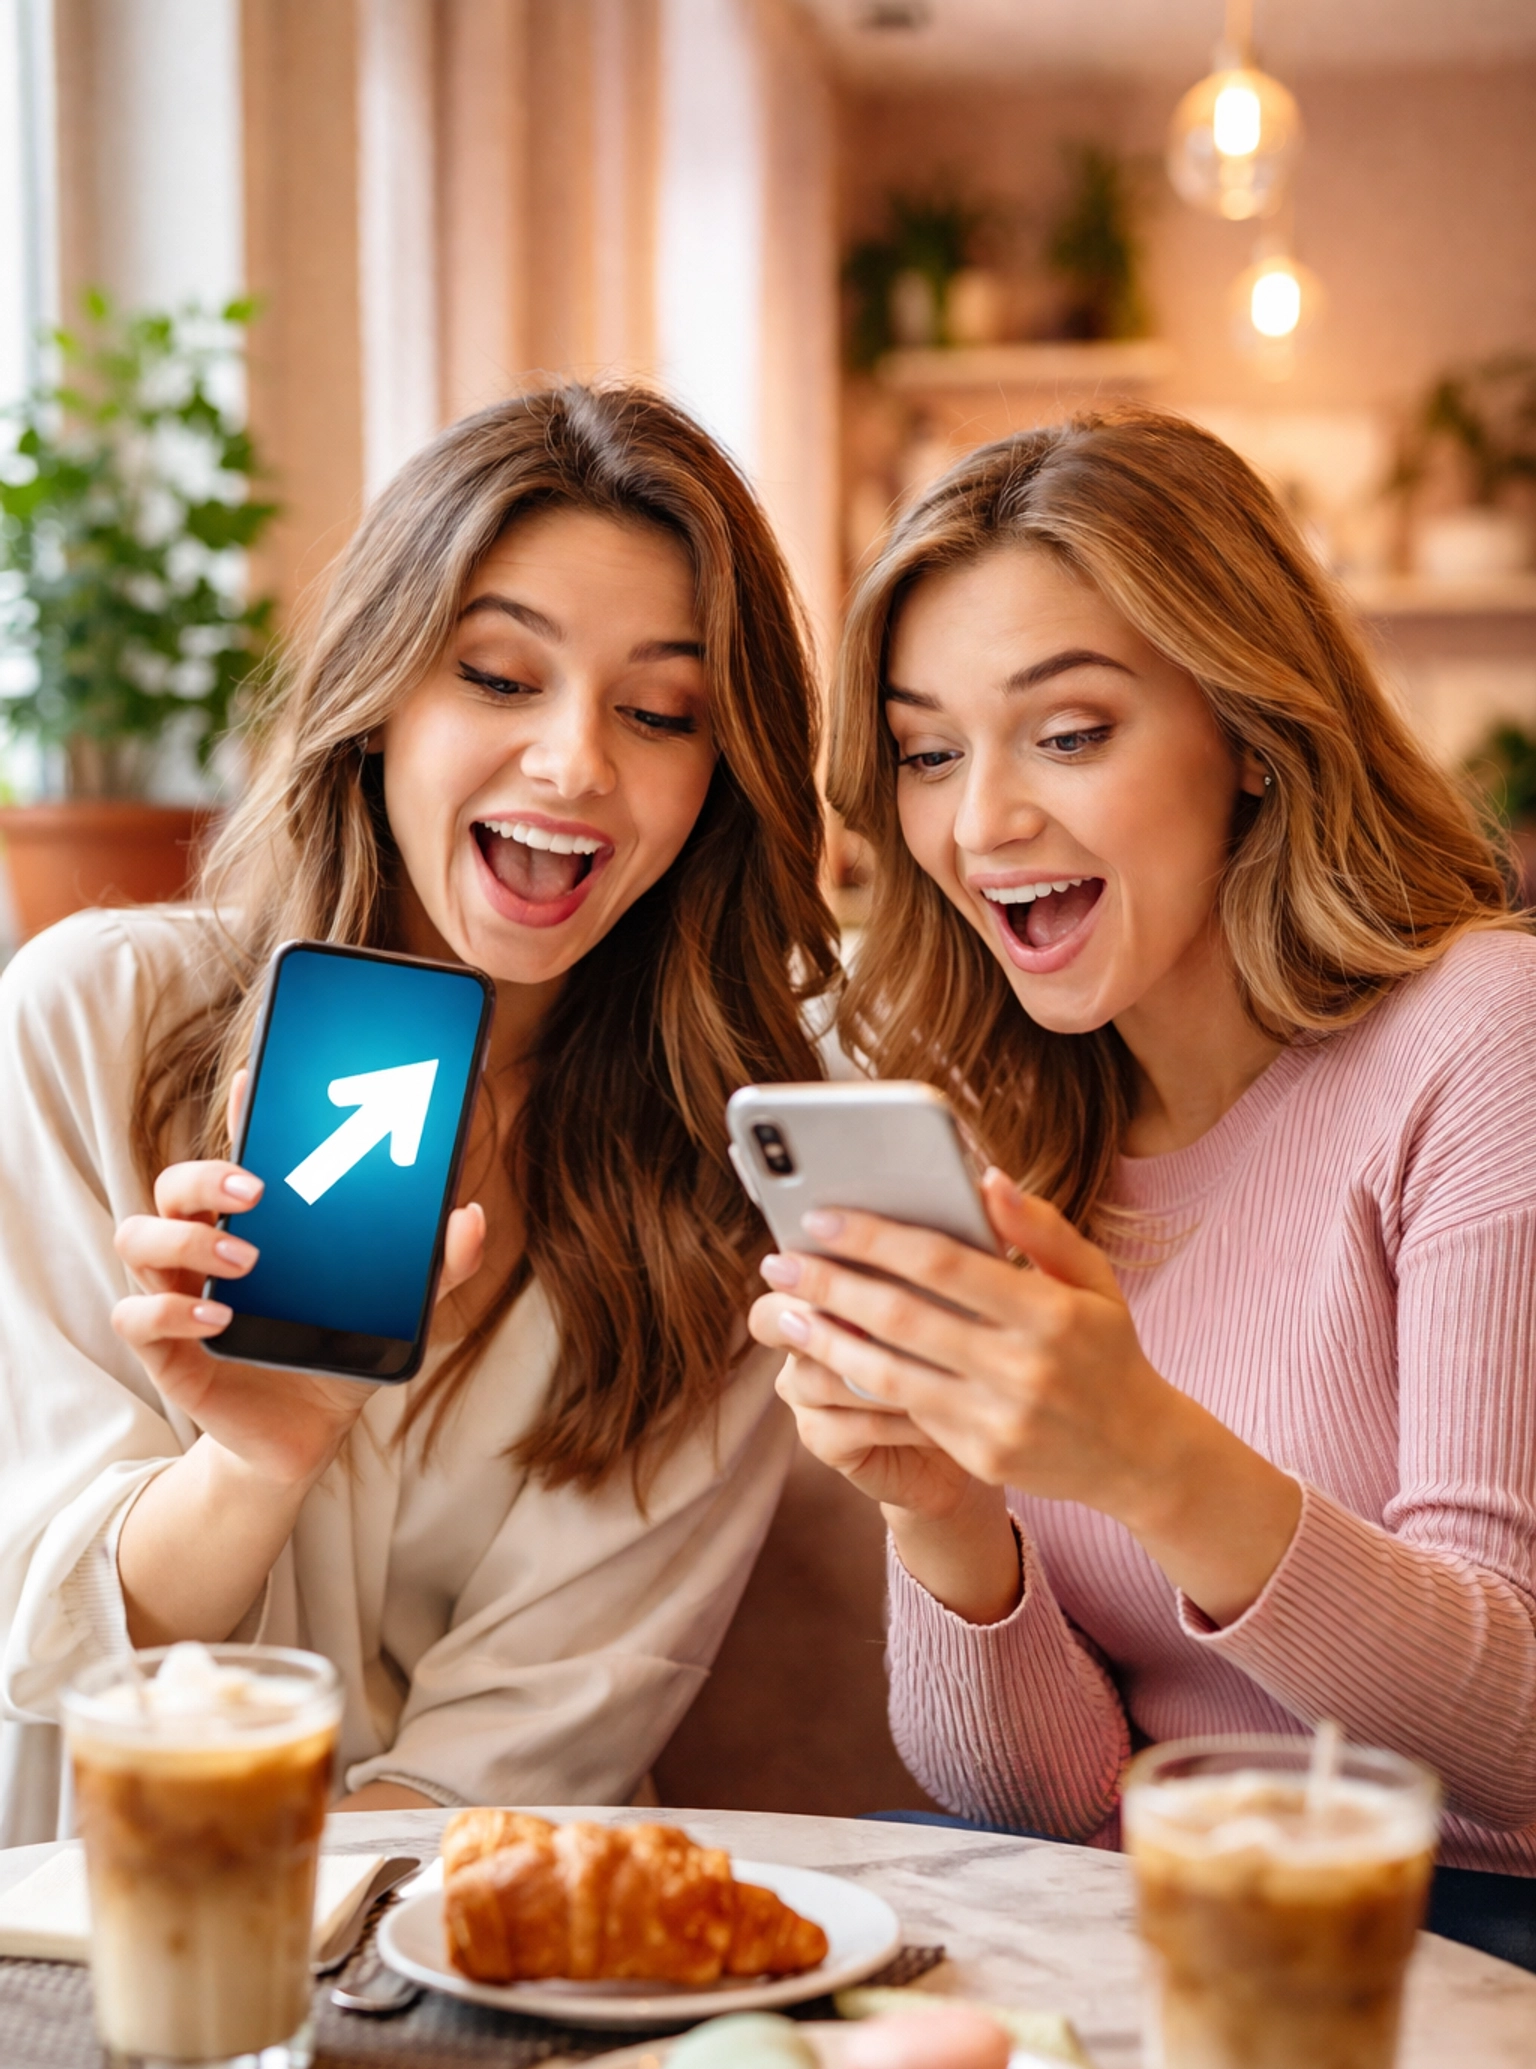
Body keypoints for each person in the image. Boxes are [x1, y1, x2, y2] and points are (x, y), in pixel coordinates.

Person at [752, 409, 1536, 1965]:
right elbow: (1037, 1805)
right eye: (927, 753)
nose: (982, 825)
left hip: (1457, 1926)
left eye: (1070, 731)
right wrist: (948, 1517)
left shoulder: (1481, 1044)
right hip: (1144, 1909)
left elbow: (1511, 1747)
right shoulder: (1016, 1127)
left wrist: (1151, 1461)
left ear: (1250, 731)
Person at [0, 382, 834, 1843]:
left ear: (718, 778)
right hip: (102, 1945)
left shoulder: (727, 1181)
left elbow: (539, 1741)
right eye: (500, 678)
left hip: (482, 1954)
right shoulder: (92, 1026)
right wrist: (260, 1459)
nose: (578, 760)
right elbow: (46, 1647)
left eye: (659, 711)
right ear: (380, 702)